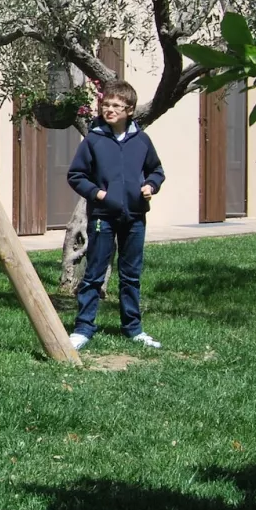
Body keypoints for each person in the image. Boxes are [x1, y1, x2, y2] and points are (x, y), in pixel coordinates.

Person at [65, 80, 166, 351]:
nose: (109, 110)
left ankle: (133, 329)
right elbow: (76, 176)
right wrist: (99, 195)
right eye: (106, 105)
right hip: (102, 217)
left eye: (116, 106)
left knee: (131, 275)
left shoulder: (141, 140)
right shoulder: (94, 139)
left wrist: (150, 185)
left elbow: (157, 170)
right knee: (95, 274)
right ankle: (83, 328)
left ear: (129, 110)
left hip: (134, 218)